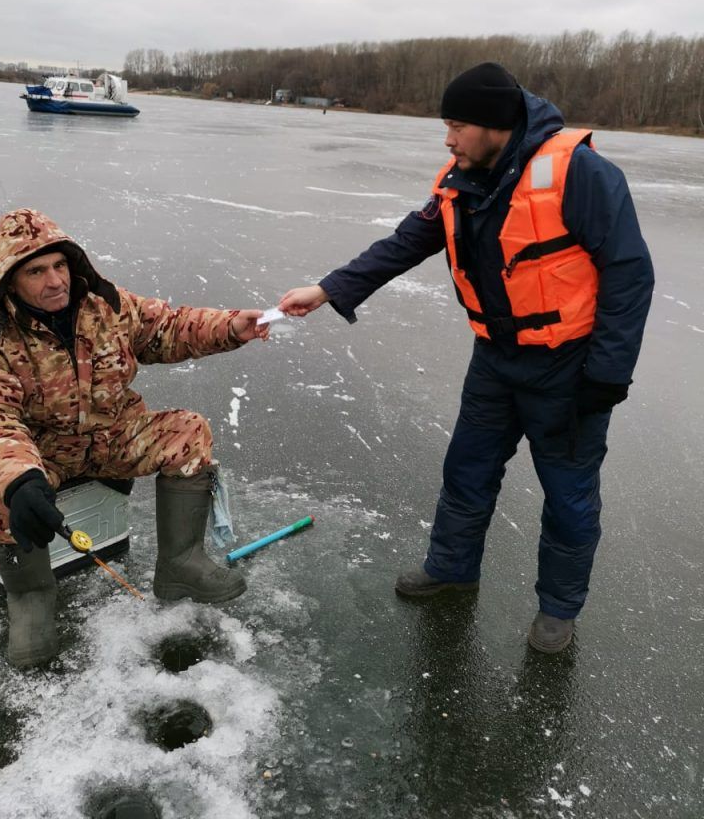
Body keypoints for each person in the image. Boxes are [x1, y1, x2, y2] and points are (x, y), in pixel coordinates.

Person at [279, 62, 654, 653]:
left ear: (495, 125)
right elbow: (408, 240)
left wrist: (606, 375)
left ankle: (557, 611)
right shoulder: (463, 175)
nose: (447, 139)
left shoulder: (580, 173)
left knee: (568, 495)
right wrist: (327, 289)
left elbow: (629, 275)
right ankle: (451, 567)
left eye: (456, 125)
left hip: (568, 368)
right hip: (495, 358)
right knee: (467, 472)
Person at [0, 208, 270, 668]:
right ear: (9, 282)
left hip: (114, 435)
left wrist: (232, 326)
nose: (55, 280)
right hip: (44, 453)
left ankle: (181, 564)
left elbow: (168, 327)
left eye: (60, 265)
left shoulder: (107, 306)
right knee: (0, 492)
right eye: (36, 271)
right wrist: (21, 479)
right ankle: (32, 597)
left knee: (187, 432)